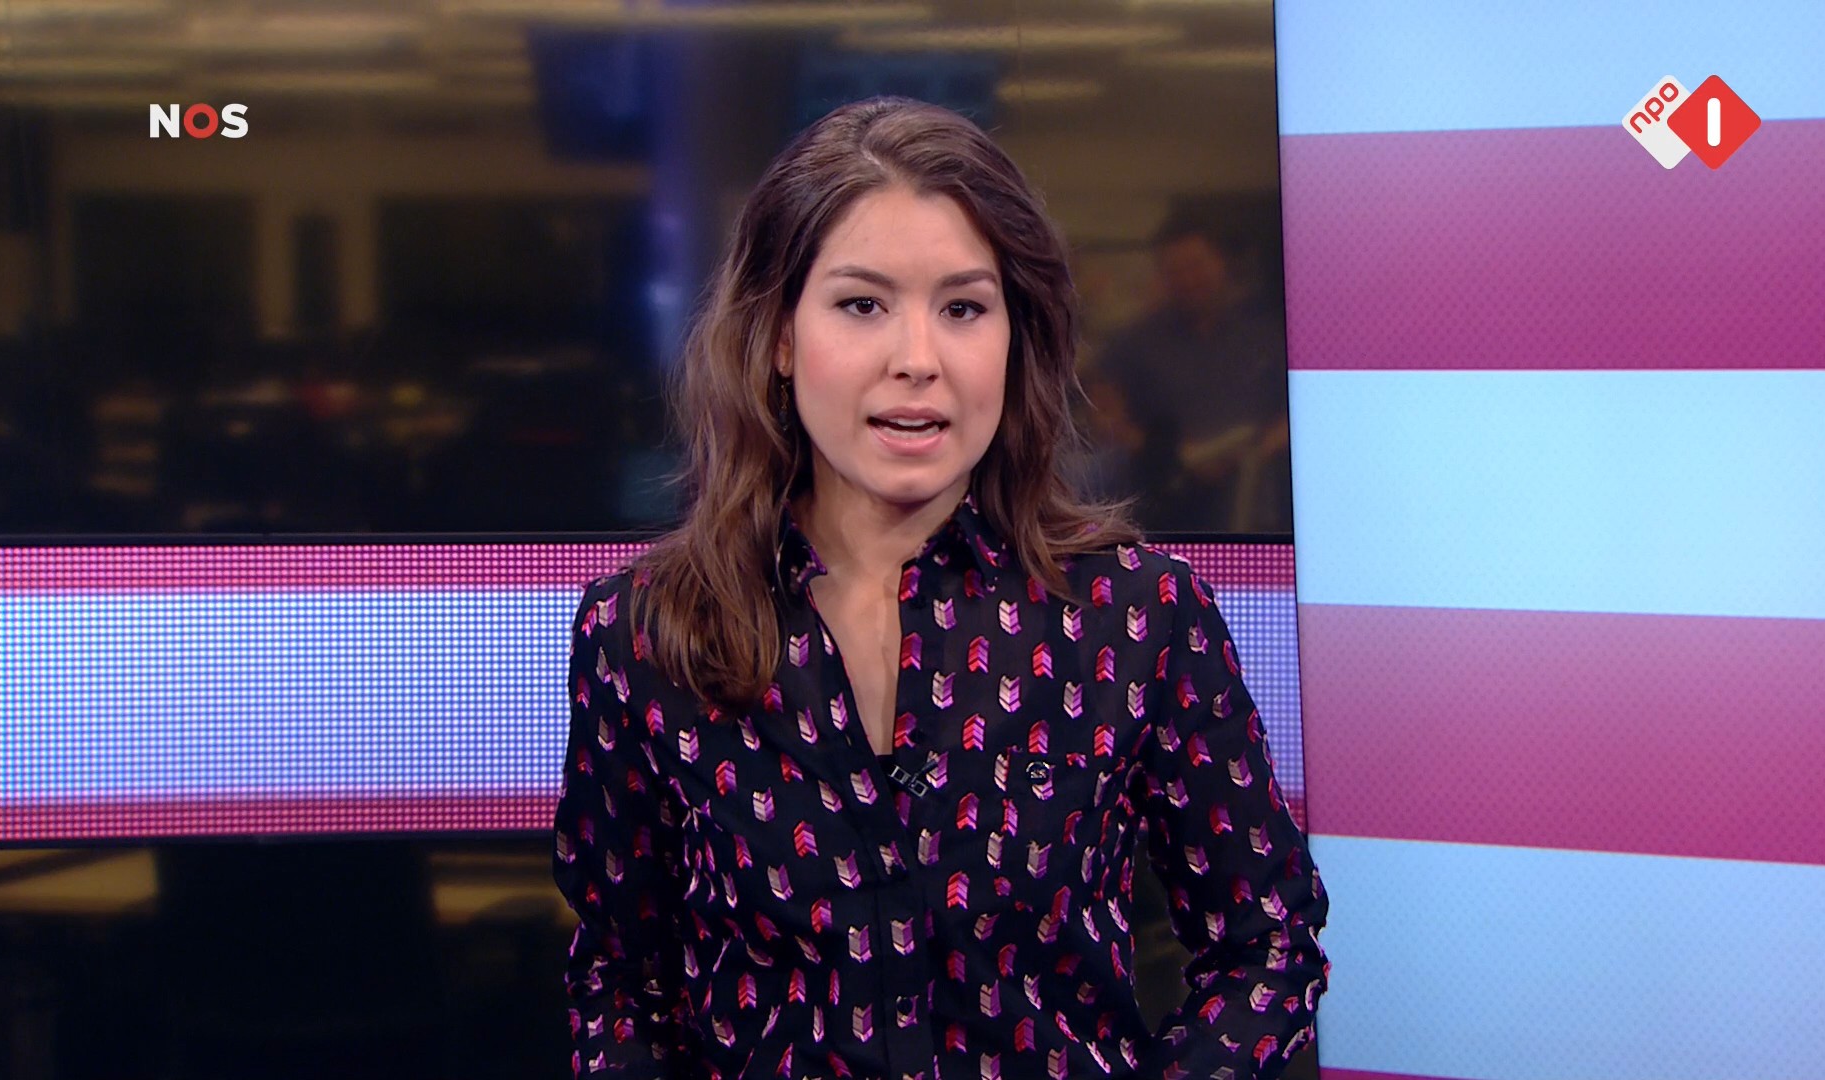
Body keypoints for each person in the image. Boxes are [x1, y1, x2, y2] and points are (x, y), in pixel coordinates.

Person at [552, 96, 1327, 1080]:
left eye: (963, 308)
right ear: (780, 336)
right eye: (862, 305)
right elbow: (622, 982)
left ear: (1015, 336)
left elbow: (1268, 947)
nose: (917, 360)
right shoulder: (646, 631)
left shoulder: (1139, 618)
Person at [1095, 215, 1291, 534]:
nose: (1188, 279)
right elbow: (1105, 418)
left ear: (1221, 263)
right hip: (1166, 502)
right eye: (1175, 270)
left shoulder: (1268, 335)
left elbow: (1309, 405)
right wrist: (1173, 454)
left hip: (1262, 494)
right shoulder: (1135, 342)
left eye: (1196, 265)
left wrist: (1260, 450)